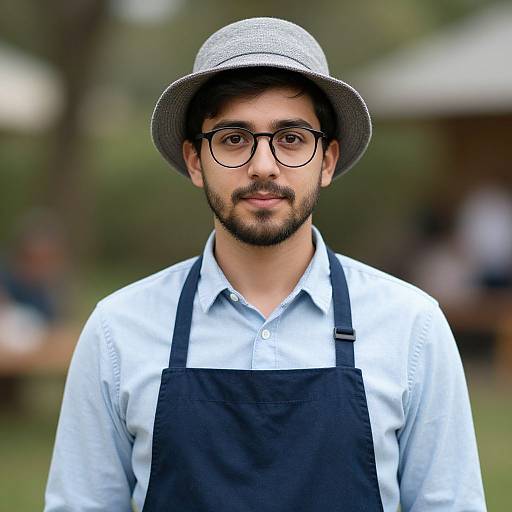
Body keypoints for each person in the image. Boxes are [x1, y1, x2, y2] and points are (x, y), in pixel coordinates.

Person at [44, 17, 486, 512]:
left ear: (327, 161)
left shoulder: (411, 327)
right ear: (195, 161)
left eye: (291, 138)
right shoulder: (118, 330)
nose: (263, 165)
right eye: (233, 139)